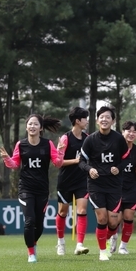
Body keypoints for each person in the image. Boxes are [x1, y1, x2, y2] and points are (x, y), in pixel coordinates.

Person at [0, 114, 65, 263]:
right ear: (26, 127)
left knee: (39, 224)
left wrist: (60, 151)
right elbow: (15, 165)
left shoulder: (48, 144)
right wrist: (6, 158)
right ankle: (31, 254)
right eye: (30, 124)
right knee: (29, 220)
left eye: (36, 124)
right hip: (25, 188)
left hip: (42, 189)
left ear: (41, 128)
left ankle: (33, 243)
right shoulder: (20, 145)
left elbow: (58, 163)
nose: (32, 127)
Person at [78, 105, 129, 261]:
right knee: (102, 219)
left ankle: (106, 239)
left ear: (112, 120)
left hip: (114, 185)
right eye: (102, 117)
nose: (104, 119)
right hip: (96, 185)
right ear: (97, 120)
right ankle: (102, 251)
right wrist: (89, 169)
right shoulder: (90, 140)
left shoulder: (119, 139)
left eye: (108, 117)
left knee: (113, 222)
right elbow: (81, 161)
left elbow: (126, 159)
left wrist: (118, 168)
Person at [55, 107, 91, 256]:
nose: (87, 121)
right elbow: (58, 162)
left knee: (82, 210)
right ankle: (60, 242)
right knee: (63, 211)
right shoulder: (65, 138)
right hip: (66, 180)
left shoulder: (87, 138)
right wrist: (76, 161)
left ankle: (80, 244)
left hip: (82, 180)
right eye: (85, 118)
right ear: (77, 121)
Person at [108, 120, 136, 255]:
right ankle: (112, 237)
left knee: (128, 217)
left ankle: (123, 247)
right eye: (128, 131)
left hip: (131, 189)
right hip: (115, 189)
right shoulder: (114, 148)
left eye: (134, 131)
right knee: (114, 221)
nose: (131, 134)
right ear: (123, 132)